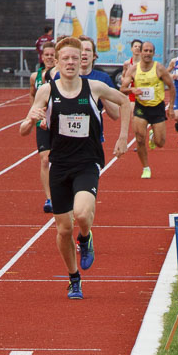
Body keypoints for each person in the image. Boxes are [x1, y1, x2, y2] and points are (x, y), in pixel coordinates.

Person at [21, 36, 130, 299]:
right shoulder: (47, 90)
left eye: (75, 57)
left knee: (81, 215)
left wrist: (123, 137)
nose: (71, 62)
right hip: (60, 166)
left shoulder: (93, 88)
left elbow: (125, 102)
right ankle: (74, 279)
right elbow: (24, 128)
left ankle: (86, 237)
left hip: (86, 163)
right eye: (66, 58)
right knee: (62, 229)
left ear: (84, 59)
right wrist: (30, 120)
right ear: (56, 62)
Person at [121, 41, 175, 178]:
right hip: (141, 108)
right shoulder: (133, 69)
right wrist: (132, 89)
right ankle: (146, 168)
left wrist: (172, 108)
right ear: (141, 52)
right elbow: (122, 89)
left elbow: (171, 87)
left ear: (153, 53)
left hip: (157, 108)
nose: (147, 53)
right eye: (145, 50)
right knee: (139, 139)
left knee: (160, 143)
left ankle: (153, 136)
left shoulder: (159, 69)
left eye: (150, 51)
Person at [29, 41, 57, 214]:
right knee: (45, 159)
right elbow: (32, 95)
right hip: (42, 123)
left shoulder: (61, 75)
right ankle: (49, 198)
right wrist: (32, 116)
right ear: (42, 56)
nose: (49, 58)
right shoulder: (35, 76)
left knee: (60, 159)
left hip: (58, 122)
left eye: (52, 55)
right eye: (46, 55)